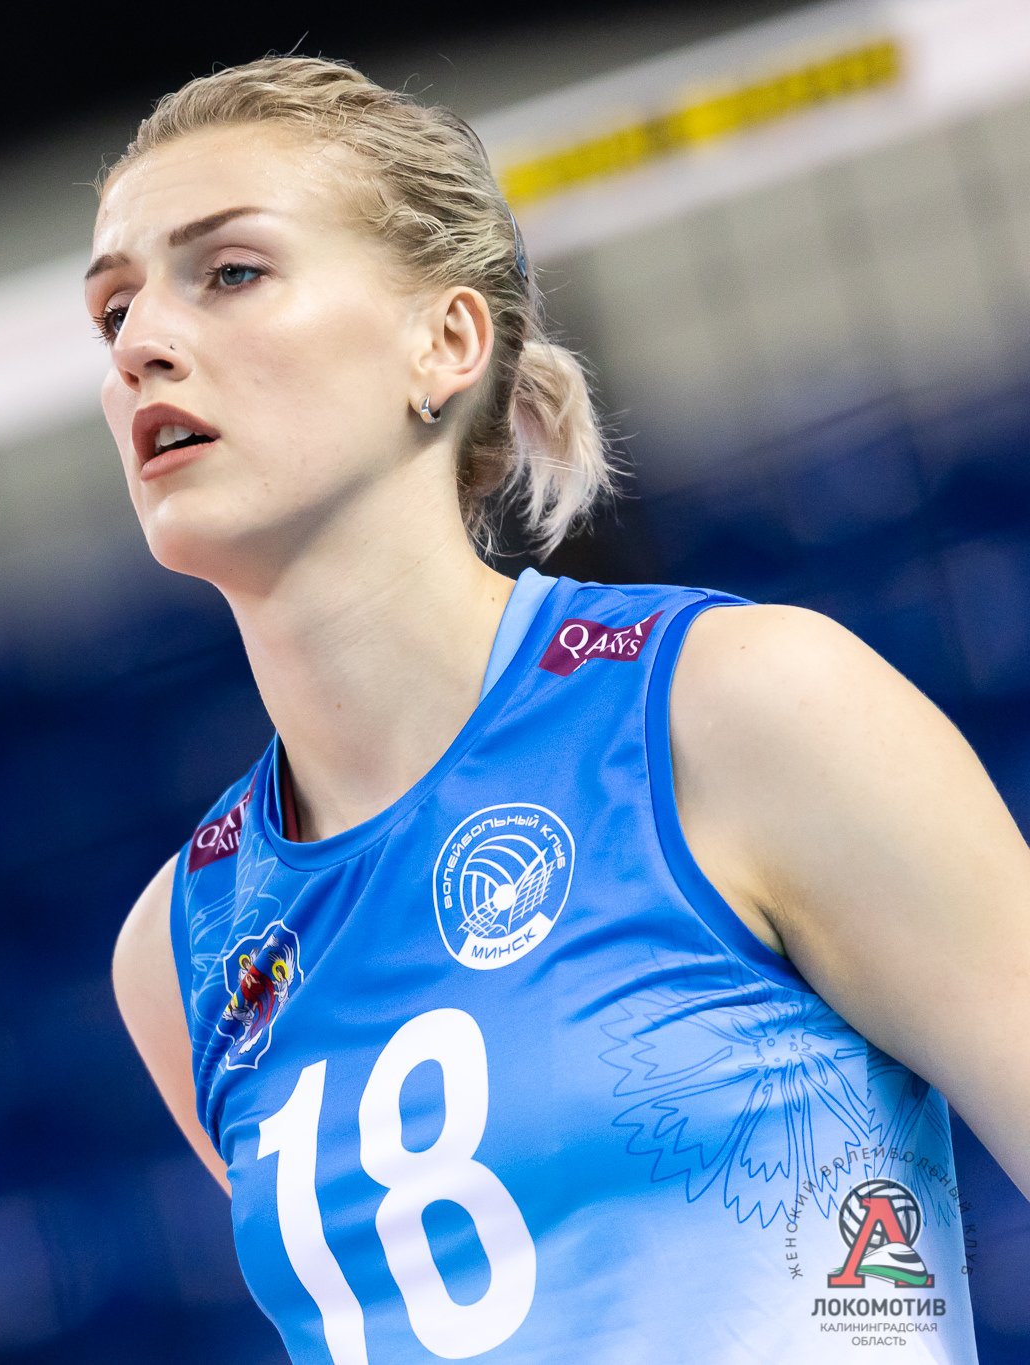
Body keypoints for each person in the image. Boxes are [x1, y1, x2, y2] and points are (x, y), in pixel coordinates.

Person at [92, 54, 1027, 1362]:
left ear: (445, 342)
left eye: (231, 272)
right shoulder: (180, 946)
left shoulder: (738, 708)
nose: (142, 342)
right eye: (113, 310)